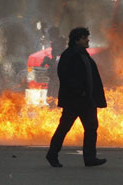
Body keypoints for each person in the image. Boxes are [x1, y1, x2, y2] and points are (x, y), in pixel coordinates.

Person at [46, 27, 107, 168]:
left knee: (91, 128)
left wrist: (95, 97)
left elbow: (92, 77)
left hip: (87, 102)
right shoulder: (69, 55)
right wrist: (79, 92)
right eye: (85, 38)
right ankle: (52, 154)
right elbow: (65, 76)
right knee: (64, 128)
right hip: (74, 101)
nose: (88, 40)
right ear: (77, 40)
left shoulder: (83, 54)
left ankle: (90, 158)